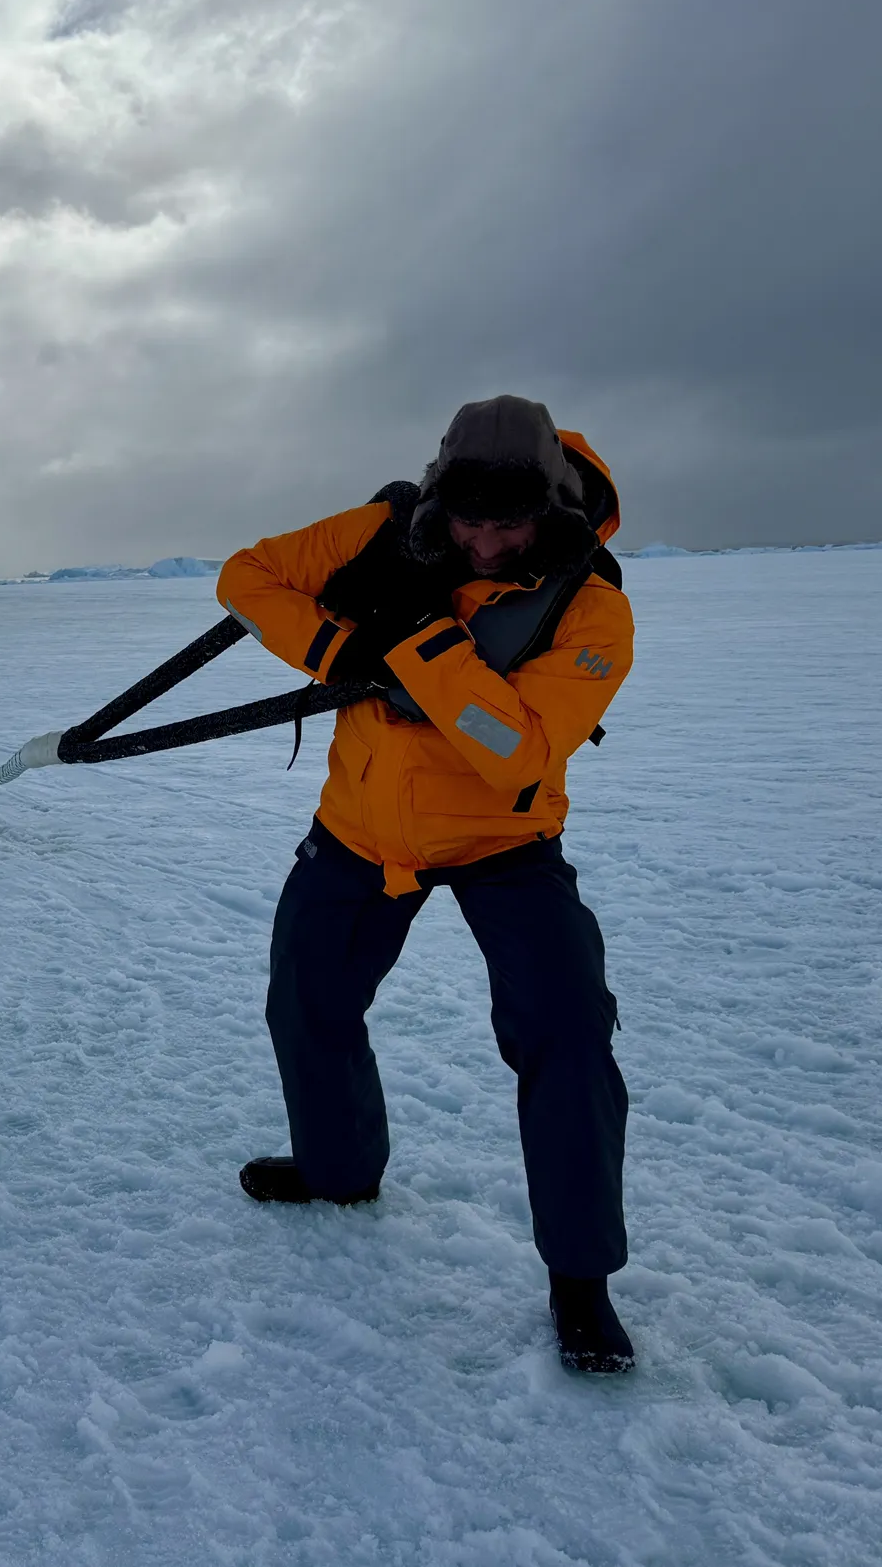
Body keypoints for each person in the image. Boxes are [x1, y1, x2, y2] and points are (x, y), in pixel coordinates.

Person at [216, 394, 638, 1374]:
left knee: (566, 1033)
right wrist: (339, 647)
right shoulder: (380, 532)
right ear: (439, 498)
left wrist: (418, 645)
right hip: (362, 830)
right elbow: (245, 580)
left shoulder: (592, 609)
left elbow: (513, 750)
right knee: (306, 999)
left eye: (511, 524)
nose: (486, 544)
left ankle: (581, 1281)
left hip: (503, 840)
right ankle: (337, 1171)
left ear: (551, 510)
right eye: (467, 521)